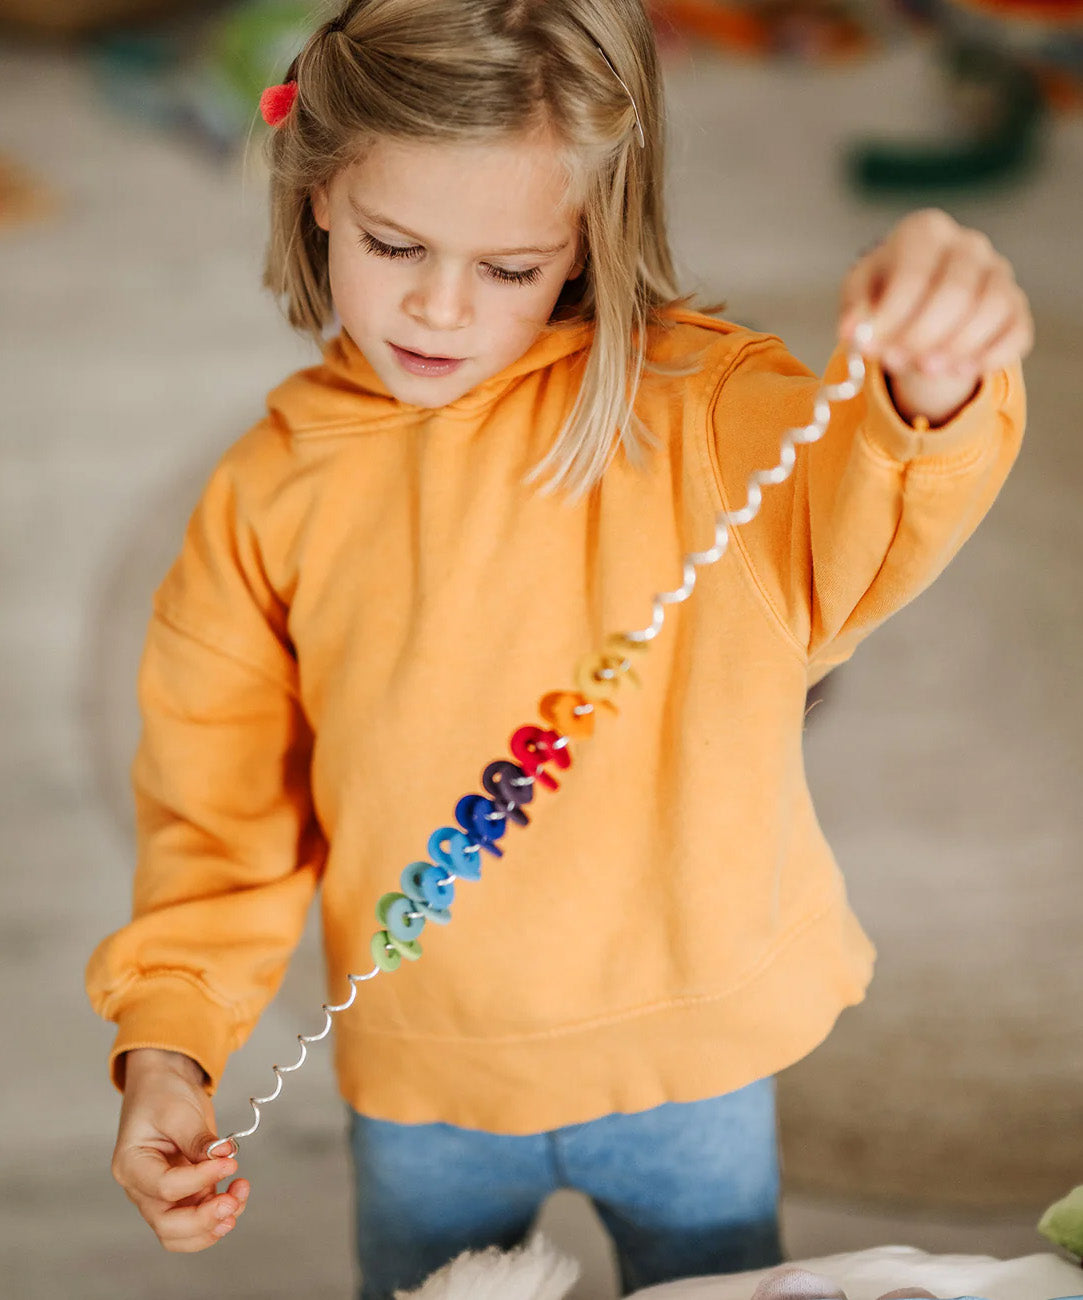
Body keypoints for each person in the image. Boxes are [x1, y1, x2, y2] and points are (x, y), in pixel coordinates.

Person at [86, 1, 1032, 1296]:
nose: (437, 305)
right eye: (393, 241)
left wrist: (935, 373)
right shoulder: (268, 502)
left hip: (692, 1074)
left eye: (509, 266)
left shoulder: (707, 420)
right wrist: (167, 1051)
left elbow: (877, 507)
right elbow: (218, 821)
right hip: (428, 1084)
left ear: (592, 235)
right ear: (314, 190)